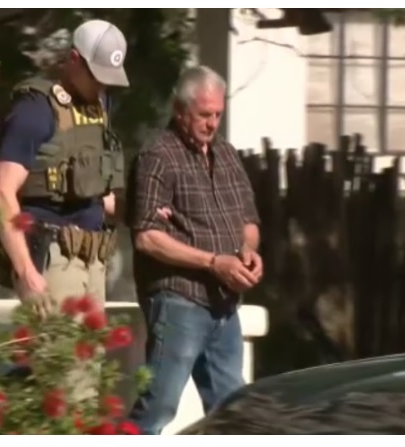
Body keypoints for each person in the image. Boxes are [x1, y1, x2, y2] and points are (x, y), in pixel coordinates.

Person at [126, 65, 263, 435]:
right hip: (179, 301)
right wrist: (214, 262)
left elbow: (249, 221)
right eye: (204, 114)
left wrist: (247, 253)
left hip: (224, 304)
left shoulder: (227, 154)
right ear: (179, 109)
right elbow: (146, 236)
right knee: (157, 407)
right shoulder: (158, 156)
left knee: (233, 412)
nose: (212, 123)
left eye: (218, 114)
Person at [0, 19, 129, 316]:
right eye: (97, 75)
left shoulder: (98, 106)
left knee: (90, 349)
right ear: (74, 59)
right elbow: (1, 194)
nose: (102, 85)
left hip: (94, 258)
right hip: (53, 260)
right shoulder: (36, 110)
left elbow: (95, 189)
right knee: (57, 346)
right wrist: (25, 270)